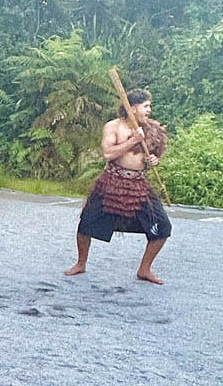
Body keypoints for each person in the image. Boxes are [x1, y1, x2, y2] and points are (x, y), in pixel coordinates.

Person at [65, 88, 171, 284]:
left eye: (149, 106)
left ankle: (144, 269)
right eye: (146, 106)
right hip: (111, 182)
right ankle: (81, 263)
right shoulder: (113, 127)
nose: (149, 110)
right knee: (86, 223)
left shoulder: (152, 129)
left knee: (163, 226)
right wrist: (133, 140)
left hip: (139, 184)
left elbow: (151, 157)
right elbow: (108, 154)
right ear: (132, 108)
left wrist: (153, 160)